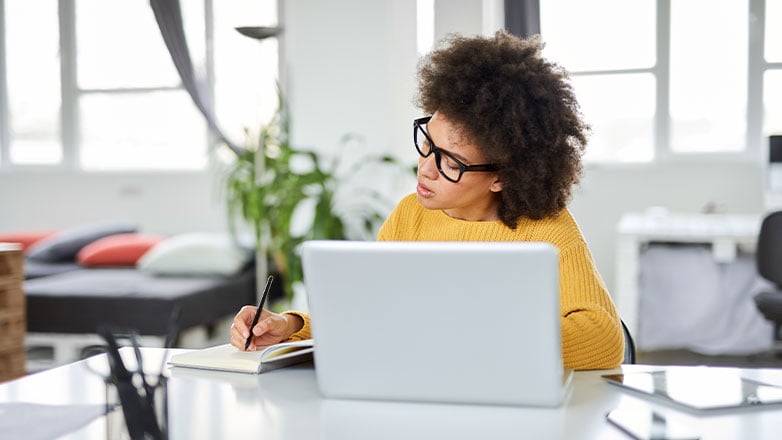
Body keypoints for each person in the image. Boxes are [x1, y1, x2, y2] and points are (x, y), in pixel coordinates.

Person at [230, 30, 625, 370]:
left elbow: (604, 339)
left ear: (501, 177)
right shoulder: (410, 215)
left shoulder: (546, 229)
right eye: (428, 143)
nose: (426, 169)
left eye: (451, 162)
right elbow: (366, 313)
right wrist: (289, 326)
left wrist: (477, 339)